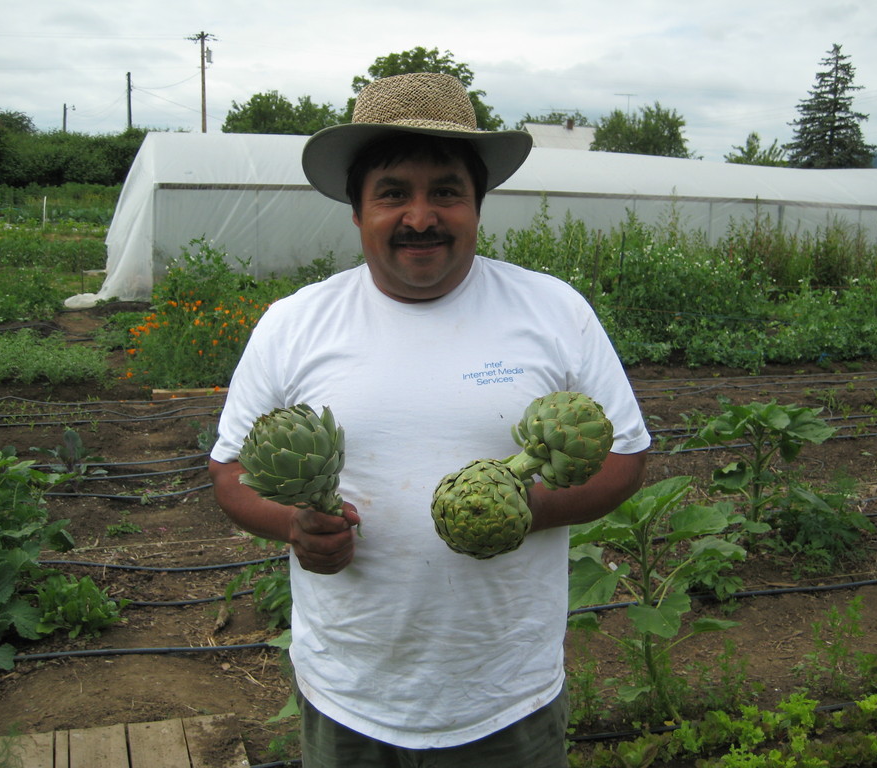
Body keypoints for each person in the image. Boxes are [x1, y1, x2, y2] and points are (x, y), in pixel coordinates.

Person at [208, 72, 650, 767]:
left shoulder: (554, 311)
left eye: (446, 190)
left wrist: (517, 509)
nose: (420, 217)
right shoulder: (293, 324)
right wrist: (292, 525)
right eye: (392, 194)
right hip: (350, 692)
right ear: (357, 211)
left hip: (506, 695)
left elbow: (626, 457)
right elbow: (230, 470)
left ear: (479, 204)